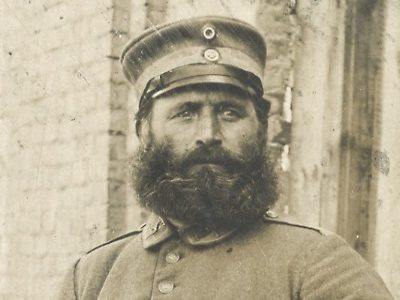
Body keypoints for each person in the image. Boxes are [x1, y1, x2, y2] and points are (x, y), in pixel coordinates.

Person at [57, 16, 394, 299]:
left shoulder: (317, 263)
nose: (208, 133)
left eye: (230, 112)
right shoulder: (90, 278)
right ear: (144, 131)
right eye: (185, 112)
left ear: (262, 129)